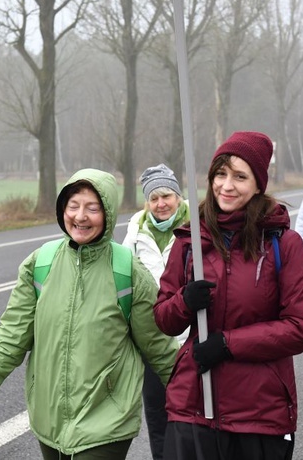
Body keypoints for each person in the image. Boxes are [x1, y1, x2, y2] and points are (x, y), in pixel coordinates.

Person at [0, 168, 179, 460]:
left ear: (108, 214)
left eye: (92, 208)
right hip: (49, 415)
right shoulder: (41, 262)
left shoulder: (127, 270)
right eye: (73, 206)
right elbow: (13, 331)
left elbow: (158, 345)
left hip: (107, 417)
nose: (80, 216)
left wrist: (190, 398)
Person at [154, 131, 303, 460]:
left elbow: (301, 326)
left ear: (258, 184)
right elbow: (164, 319)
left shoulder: (282, 244)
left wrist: (228, 344)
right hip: (193, 405)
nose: (226, 186)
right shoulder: (190, 240)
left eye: (240, 177)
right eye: (221, 173)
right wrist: (185, 302)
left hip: (259, 414)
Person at [122, 163, 189, 460]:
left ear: (178, 196)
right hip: (153, 338)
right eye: (153, 198)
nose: (161, 204)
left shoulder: (198, 226)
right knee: (157, 415)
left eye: (166, 196)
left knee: (192, 415)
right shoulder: (136, 231)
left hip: (192, 338)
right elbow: (122, 280)